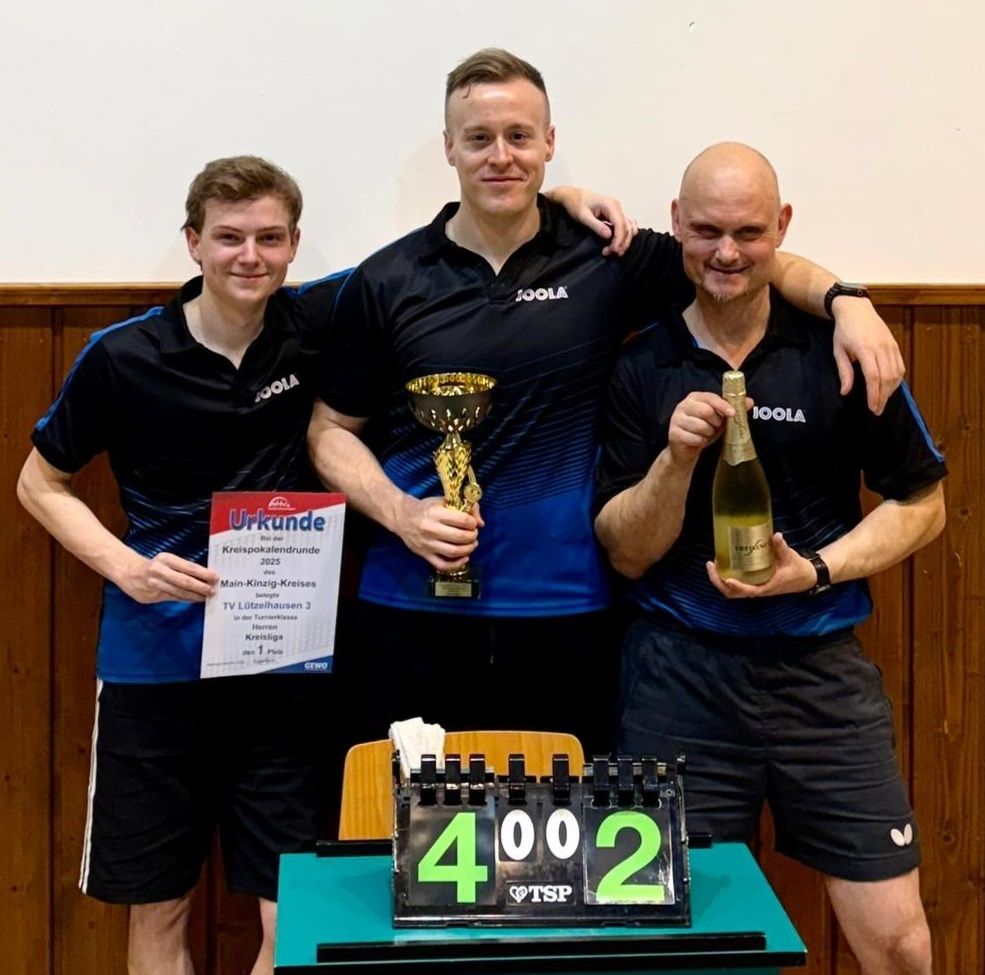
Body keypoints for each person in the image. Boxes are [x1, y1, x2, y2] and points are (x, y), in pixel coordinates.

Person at [308, 48, 904, 757]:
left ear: (549, 142)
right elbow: (329, 431)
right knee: (411, 822)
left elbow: (743, 258)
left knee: (561, 830)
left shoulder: (609, 257)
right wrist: (401, 513)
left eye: (519, 136)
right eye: (479, 138)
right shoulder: (387, 279)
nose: (500, 156)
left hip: (572, 609)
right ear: (449, 147)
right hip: (410, 605)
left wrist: (845, 301)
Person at [594, 142, 945, 974]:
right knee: (664, 950)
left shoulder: (839, 351)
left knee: (898, 941)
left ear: (781, 227)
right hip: (675, 678)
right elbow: (625, 552)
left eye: (748, 232)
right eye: (706, 230)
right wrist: (674, 460)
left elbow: (922, 504)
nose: (726, 252)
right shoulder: (640, 363)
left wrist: (815, 570)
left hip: (819, 675)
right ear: (675, 225)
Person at [16, 156, 348, 975]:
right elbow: (38, 482)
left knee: (293, 913)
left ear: (294, 244)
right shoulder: (122, 354)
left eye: (269, 238)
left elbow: (433, 248)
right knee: (159, 910)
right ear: (193, 242)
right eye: (229, 237)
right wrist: (125, 566)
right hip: (154, 666)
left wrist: (562, 194)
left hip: (281, 666)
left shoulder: (315, 329)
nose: (250, 256)